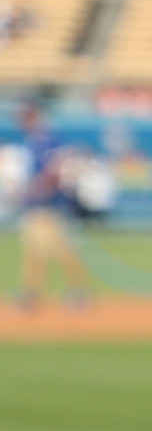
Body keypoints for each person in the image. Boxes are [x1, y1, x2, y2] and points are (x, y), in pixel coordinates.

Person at [13, 106, 92, 312]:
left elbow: (58, 167)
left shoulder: (48, 139)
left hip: (52, 207)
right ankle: (32, 294)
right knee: (34, 252)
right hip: (36, 207)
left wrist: (40, 186)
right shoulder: (32, 142)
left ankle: (77, 292)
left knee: (64, 251)